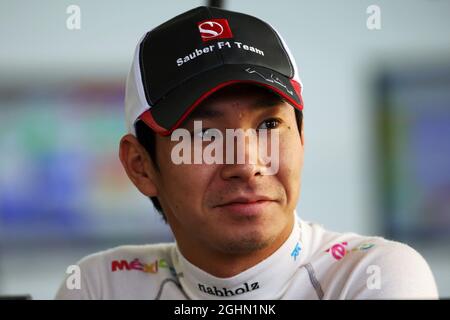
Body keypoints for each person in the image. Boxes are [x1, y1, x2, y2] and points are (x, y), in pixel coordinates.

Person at [55, 6, 438, 300]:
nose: (247, 164)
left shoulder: (372, 274)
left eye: (269, 126)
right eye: (204, 134)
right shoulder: (99, 285)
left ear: (301, 138)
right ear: (141, 167)